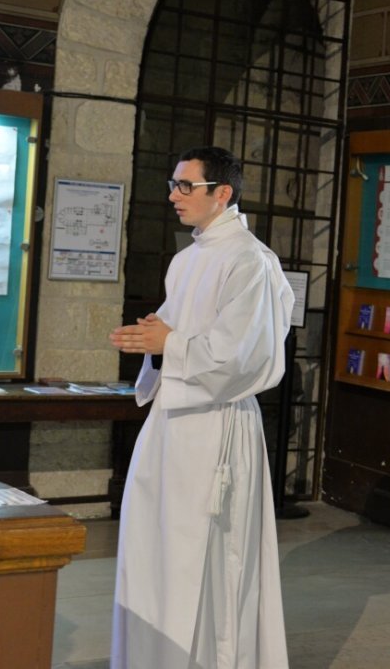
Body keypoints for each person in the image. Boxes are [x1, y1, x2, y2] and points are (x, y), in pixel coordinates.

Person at [109, 146, 293, 669]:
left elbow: (246, 357)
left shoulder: (250, 260)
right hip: (170, 423)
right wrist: (149, 341)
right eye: (173, 184)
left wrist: (171, 344)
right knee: (158, 553)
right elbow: (173, 333)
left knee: (208, 559)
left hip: (217, 428)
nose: (173, 195)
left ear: (223, 194)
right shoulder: (187, 259)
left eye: (185, 186)